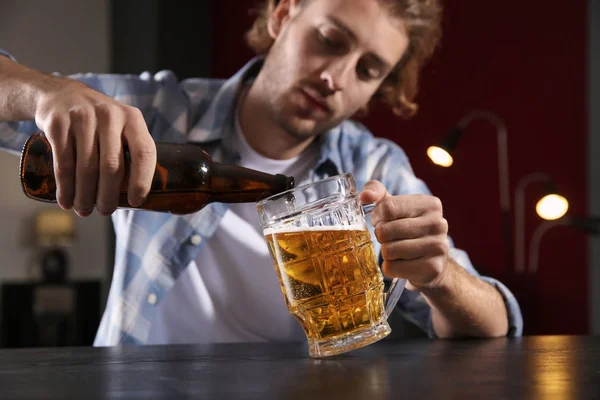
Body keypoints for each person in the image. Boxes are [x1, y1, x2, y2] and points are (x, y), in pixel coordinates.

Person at [0, 0, 522, 346]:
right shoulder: (161, 112)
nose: (335, 78)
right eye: (331, 40)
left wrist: (440, 278)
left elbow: (498, 321)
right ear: (282, 15)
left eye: (367, 71)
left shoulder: (372, 167)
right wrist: (48, 92)